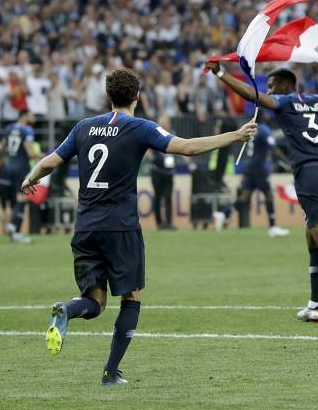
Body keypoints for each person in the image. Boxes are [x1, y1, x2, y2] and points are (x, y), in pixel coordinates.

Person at [20, 68, 257, 386]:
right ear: (137, 96)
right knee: (131, 297)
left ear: (108, 97)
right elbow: (186, 147)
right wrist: (235, 135)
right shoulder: (139, 127)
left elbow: (51, 160)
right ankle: (109, 373)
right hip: (121, 226)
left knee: (94, 301)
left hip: (86, 226)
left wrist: (31, 177)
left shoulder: (83, 127)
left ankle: (68, 309)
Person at [208, 60, 318, 323]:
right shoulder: (316, 100)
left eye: (271, 86)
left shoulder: (286, 101)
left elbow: (253, 96)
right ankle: (314, 306)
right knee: (312, 239)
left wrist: (221, 73)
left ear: (284, 85)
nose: (268, 91)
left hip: (309, 175)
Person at [235, 118, 290, 238]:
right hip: (259, 168)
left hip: (249, 167)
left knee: (245, 197)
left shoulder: (253, 130)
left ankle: (223, 214)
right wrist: (287, 163)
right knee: (268, 195)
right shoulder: (264, 130)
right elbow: (273, 148)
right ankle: (273, 227)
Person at [0, 109, 40, 243]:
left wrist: (2, 160)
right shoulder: (27, 130)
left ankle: (13, 229)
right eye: (31, 115)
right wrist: (43, 156)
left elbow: (1, 148)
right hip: (21, 168)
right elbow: (30, 153)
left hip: (8, 167)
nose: (33, 117)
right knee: (21, 199)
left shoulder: (9, 128)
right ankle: (15, 229)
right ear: (24, 116)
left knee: (12, 201)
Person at [149, 116, 177, 230]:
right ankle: (159, 223)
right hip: (157, 170)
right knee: (158, 197)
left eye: (166, 123)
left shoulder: (173, 133)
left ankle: (169, 223)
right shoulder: (155, 133)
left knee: (168, 197)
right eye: (162, 123)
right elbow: (148, 149)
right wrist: (152, 158)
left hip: (169, 171)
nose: (165, 125)